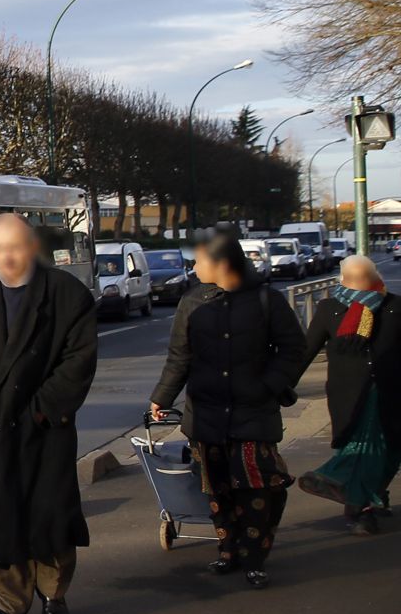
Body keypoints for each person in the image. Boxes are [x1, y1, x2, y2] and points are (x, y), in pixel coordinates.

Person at [0, 212, 100, 614]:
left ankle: (55, 594)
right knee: (3, 517)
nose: (7, 258)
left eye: (15, 248)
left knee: (50, 516)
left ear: (32, 247)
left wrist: (42, 409)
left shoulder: (66, 294)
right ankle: (10, 604)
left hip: (46, 428)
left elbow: (79, 360)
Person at [148, 231, 303, 586]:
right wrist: (162, 397)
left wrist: (268, 385)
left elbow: (293, 348)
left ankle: (255, 556)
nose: (194, 266)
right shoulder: (192, 301)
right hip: (205, 413)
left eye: (200, 260)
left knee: (258, 488)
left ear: (222, 264)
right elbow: (180, 356)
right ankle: (228, 550)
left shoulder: (267, 299)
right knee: (217, 489)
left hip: (254, 412)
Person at [295, 255, 401, 534]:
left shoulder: (396, 306)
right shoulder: (330, 308)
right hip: (349, 394)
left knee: (391, 452)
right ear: (342, 279)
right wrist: (279, 386)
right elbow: (305, 352)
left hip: (390, 391)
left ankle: (371, 491)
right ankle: (360, 507)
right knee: (360, 448)